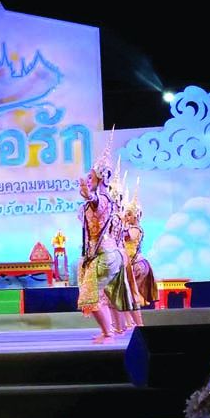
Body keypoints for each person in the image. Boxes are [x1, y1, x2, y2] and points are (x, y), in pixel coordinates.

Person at [77, 131, 135, 344]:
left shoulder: (101, 199)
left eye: (91, 177)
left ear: (100, 178)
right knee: (103, 295)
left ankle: (109, 333)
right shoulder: (106, 200)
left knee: (90, 295)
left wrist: (87, 193)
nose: (88, 179)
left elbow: (93, 200)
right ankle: (113, 330)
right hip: (107, 254)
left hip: (104, 255)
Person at [122, 178, 158, 327]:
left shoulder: (136, 229)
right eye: (126, 214)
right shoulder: (128, 228)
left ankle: (138, 325)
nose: (127, 217)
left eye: (129, 214)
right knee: (125, 295)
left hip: (137, 266)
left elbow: (129, 238)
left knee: (130, 295)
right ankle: (129, 323)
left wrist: (119, 226)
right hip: (130, 265)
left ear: (136, 215)